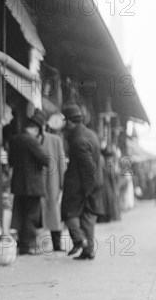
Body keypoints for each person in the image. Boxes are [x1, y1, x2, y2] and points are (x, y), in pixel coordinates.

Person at [61, 104, 104, 260]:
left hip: (81, 184)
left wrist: (87, 189)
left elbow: (88, 166)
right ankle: (89, 250)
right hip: (95, 182)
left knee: (68, 212)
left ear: (70, 122)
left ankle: (80, 240)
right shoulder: (91, 134)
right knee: (88, 216)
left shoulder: (77, 140)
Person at [9, 110, 50, 255]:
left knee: (21, 214)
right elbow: (46, 160)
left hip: (19, 184)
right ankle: (27, 247)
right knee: (31, 216)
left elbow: (10, 161)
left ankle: (23, 245)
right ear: (37, 129)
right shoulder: (32, 140)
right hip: (32, 185)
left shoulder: (15, 139)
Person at [40, 121, 67, 252]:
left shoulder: (55, 140)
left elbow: (61, 163)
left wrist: (63, 183)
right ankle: (39, 244)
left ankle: (56, 244)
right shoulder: (31, 139)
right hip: (38, 182)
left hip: (52, 181)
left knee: (54, 212)